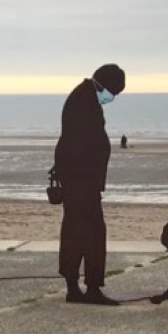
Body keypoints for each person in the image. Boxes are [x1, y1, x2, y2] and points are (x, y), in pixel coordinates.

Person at [53, 64, 125, 304]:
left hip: (82, 181)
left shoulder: (85, 97)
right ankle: (87, 287)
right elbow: (77, 143)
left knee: (78, 232)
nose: (112, 97)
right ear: (105, 84)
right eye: (114, 92)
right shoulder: (83, 101)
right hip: (81, 181)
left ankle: (77, 286)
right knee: (89, 233)